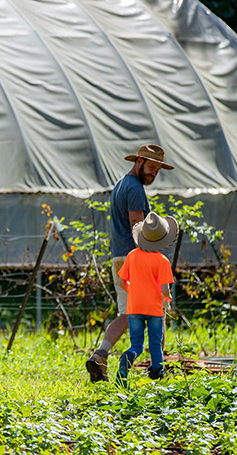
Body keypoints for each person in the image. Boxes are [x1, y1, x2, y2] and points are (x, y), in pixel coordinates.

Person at [87, 144, 174, 382]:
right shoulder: (135, 188)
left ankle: (100, 356)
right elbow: (137, 225)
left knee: (127, 314)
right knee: (156, 310)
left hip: (119, 257)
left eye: (158, 169)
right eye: (151, 167)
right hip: (134, 258)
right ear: (138, 161)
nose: (154, 173)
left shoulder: (121, 184)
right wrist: (151, 258)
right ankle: (158, 371)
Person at [115, 212, 177, 384]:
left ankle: (125, 362)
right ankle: (158, 375)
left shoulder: (132, 256)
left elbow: (121, 282)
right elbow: (164, 289)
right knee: (155, 343)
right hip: (154, 309)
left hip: (134, 307)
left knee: (137, 345)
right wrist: (168, 297)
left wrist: (133, 291)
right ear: (162, 239)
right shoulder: (162, 261)